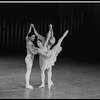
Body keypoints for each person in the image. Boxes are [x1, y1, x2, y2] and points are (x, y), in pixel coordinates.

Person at [25, 24, 38, 89]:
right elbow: (33, 52)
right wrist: (39, 50)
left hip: (29, 58)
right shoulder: (30, 43)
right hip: (29, 57)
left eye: (34, 37)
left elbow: (28, 34)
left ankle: (27, 84)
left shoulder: (28, 40)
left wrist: (30, 27)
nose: (34, 38)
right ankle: (27, 84)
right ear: (29, 37)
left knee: (29, 71)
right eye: (32, 37)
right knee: (28, 71)